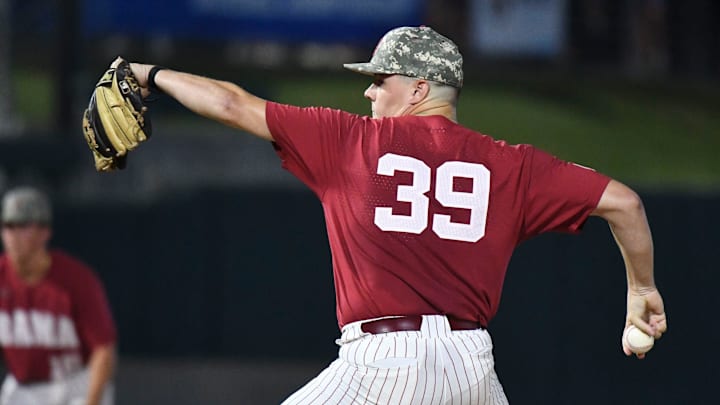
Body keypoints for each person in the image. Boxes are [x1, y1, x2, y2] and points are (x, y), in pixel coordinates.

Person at [127, 26, 667, 404]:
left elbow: (229, 102)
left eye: (380, 80)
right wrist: (640, 288)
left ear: (418, 88)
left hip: (385, 364)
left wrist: (148, 74)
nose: (368, 90)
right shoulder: (513, 165)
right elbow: (625, 203)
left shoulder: (349, 140)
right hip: (471, 367)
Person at [0, 187, 117, 405]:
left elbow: (103, 350)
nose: (14, 235)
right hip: (24, 389)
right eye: (9, 226)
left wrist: (91, 401)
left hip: (77, 384)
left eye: (23, 226)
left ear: (45, 232)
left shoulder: (76, 280)